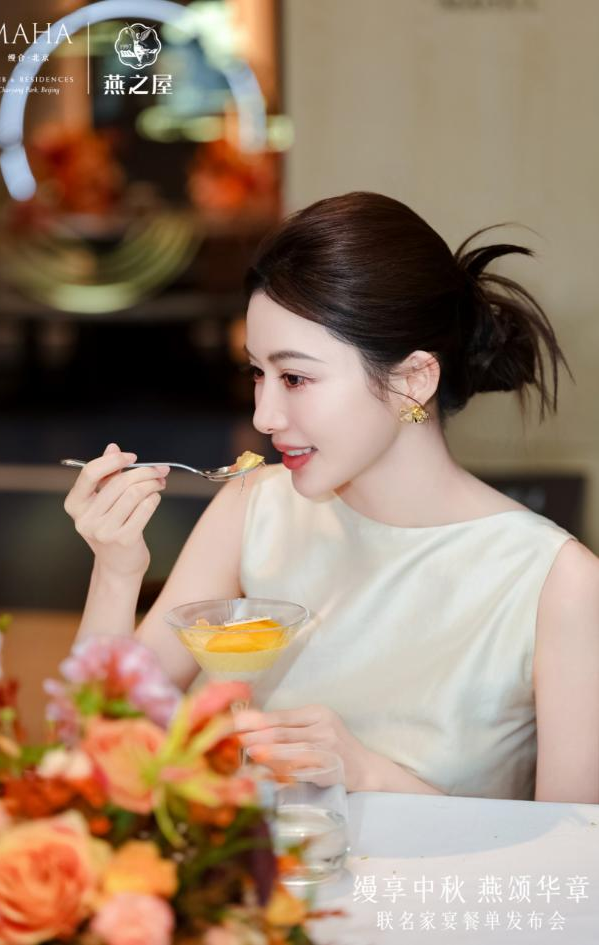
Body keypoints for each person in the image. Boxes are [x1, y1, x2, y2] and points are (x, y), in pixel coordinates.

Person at [65, 192, 599, 803]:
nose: (264, 416)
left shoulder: (555, 582)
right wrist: (115, 572)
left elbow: (575, 851)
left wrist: (370, 776)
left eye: (294, 377)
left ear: (413, 379)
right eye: (257, 373)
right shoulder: (253, 506)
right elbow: (92, 753)